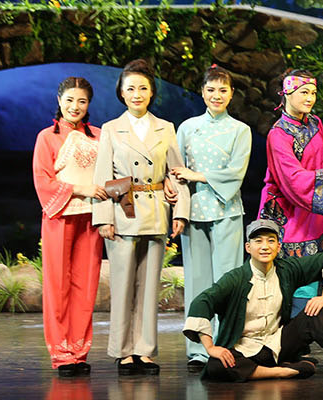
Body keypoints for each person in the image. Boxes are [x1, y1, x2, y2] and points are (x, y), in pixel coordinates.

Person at [184, 219, 323, 381]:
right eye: (258, 241)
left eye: (270, 241)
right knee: (216, 366)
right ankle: (283, 372)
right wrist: (210, 348)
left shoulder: (287, 270)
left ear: (278, 246)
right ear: (248, 247)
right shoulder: (235, 278)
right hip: (244, 349)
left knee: (317, 313)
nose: (265, 246)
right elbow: (201, 302)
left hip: (278, 344)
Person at [93, 59, 189, 375]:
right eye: (131, 88)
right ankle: (123, 351)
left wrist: (181, 211)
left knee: (149, 287)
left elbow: (176, 172)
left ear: (151, 93)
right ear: (121, 93)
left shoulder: (165, 127)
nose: (137, 94)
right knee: (122, 286)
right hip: (123, 211)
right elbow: (103, 176)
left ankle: (145, 351)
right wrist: (103, 218)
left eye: (143, 88)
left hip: (156, 211)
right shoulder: (111, 129)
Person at [171, 65, 253, 374]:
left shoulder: (240, 130)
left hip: (227, 209)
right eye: (211, 90)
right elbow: (176, 172)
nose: (216, 95)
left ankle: (226, 344)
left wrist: (196, 175)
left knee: (227, 281)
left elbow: (236, 173)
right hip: (194, 212)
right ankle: (198, 349)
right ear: (202, 93)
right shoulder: (187, 127)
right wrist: (178, 206)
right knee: (197, 282)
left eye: (222, 90)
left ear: (231, 94)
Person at [258, 69, 323, 320]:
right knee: (291, 277)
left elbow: (318, 162)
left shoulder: (315, 123)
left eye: (313, 92)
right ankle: (291, 331)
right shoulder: (278, 134)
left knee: (313, 271)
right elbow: (292, 178)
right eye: (304, 92)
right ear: (287, 93)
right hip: (288, 211)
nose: (310, 98)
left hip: (312, 206)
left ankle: (304, 330)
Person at [32, 76, 105, 377]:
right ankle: (61, 354)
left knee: (86, 285)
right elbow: (43, 180)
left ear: (89, 104)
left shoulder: (99, 136)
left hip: (91, 219)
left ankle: (79, 350)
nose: (75, 106)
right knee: (58, 285)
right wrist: (80, 189)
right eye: (70, 100)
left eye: (82, 101)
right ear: (59, 100)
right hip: (60, 216)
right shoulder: (46, 137)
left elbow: (108, 175)